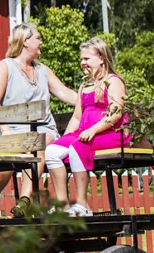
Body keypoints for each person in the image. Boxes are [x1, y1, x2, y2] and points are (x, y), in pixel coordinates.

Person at [0, 23, 78, 217]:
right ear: (25, 41)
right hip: (10, 128)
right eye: (38, 38)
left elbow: (65, 93)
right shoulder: (5, 67)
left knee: (38, 142)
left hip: (43, 127)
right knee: (12, 153)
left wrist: (92, 100)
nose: (41, 42)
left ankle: (24, 200)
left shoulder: (43, 70)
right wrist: (5, 129)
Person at [44, 37, 128, 217]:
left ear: (101, 59)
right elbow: (76, 117)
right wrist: (63, 139)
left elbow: (115, 114)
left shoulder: (113, 81)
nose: (83, 63)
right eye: (81, 59)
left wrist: (92, 130)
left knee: (77, 147)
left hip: (110, 133)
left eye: (87, 59)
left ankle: (82, 205)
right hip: (86, 133)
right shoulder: (85, 85)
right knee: (51, 151)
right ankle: (62, 204)